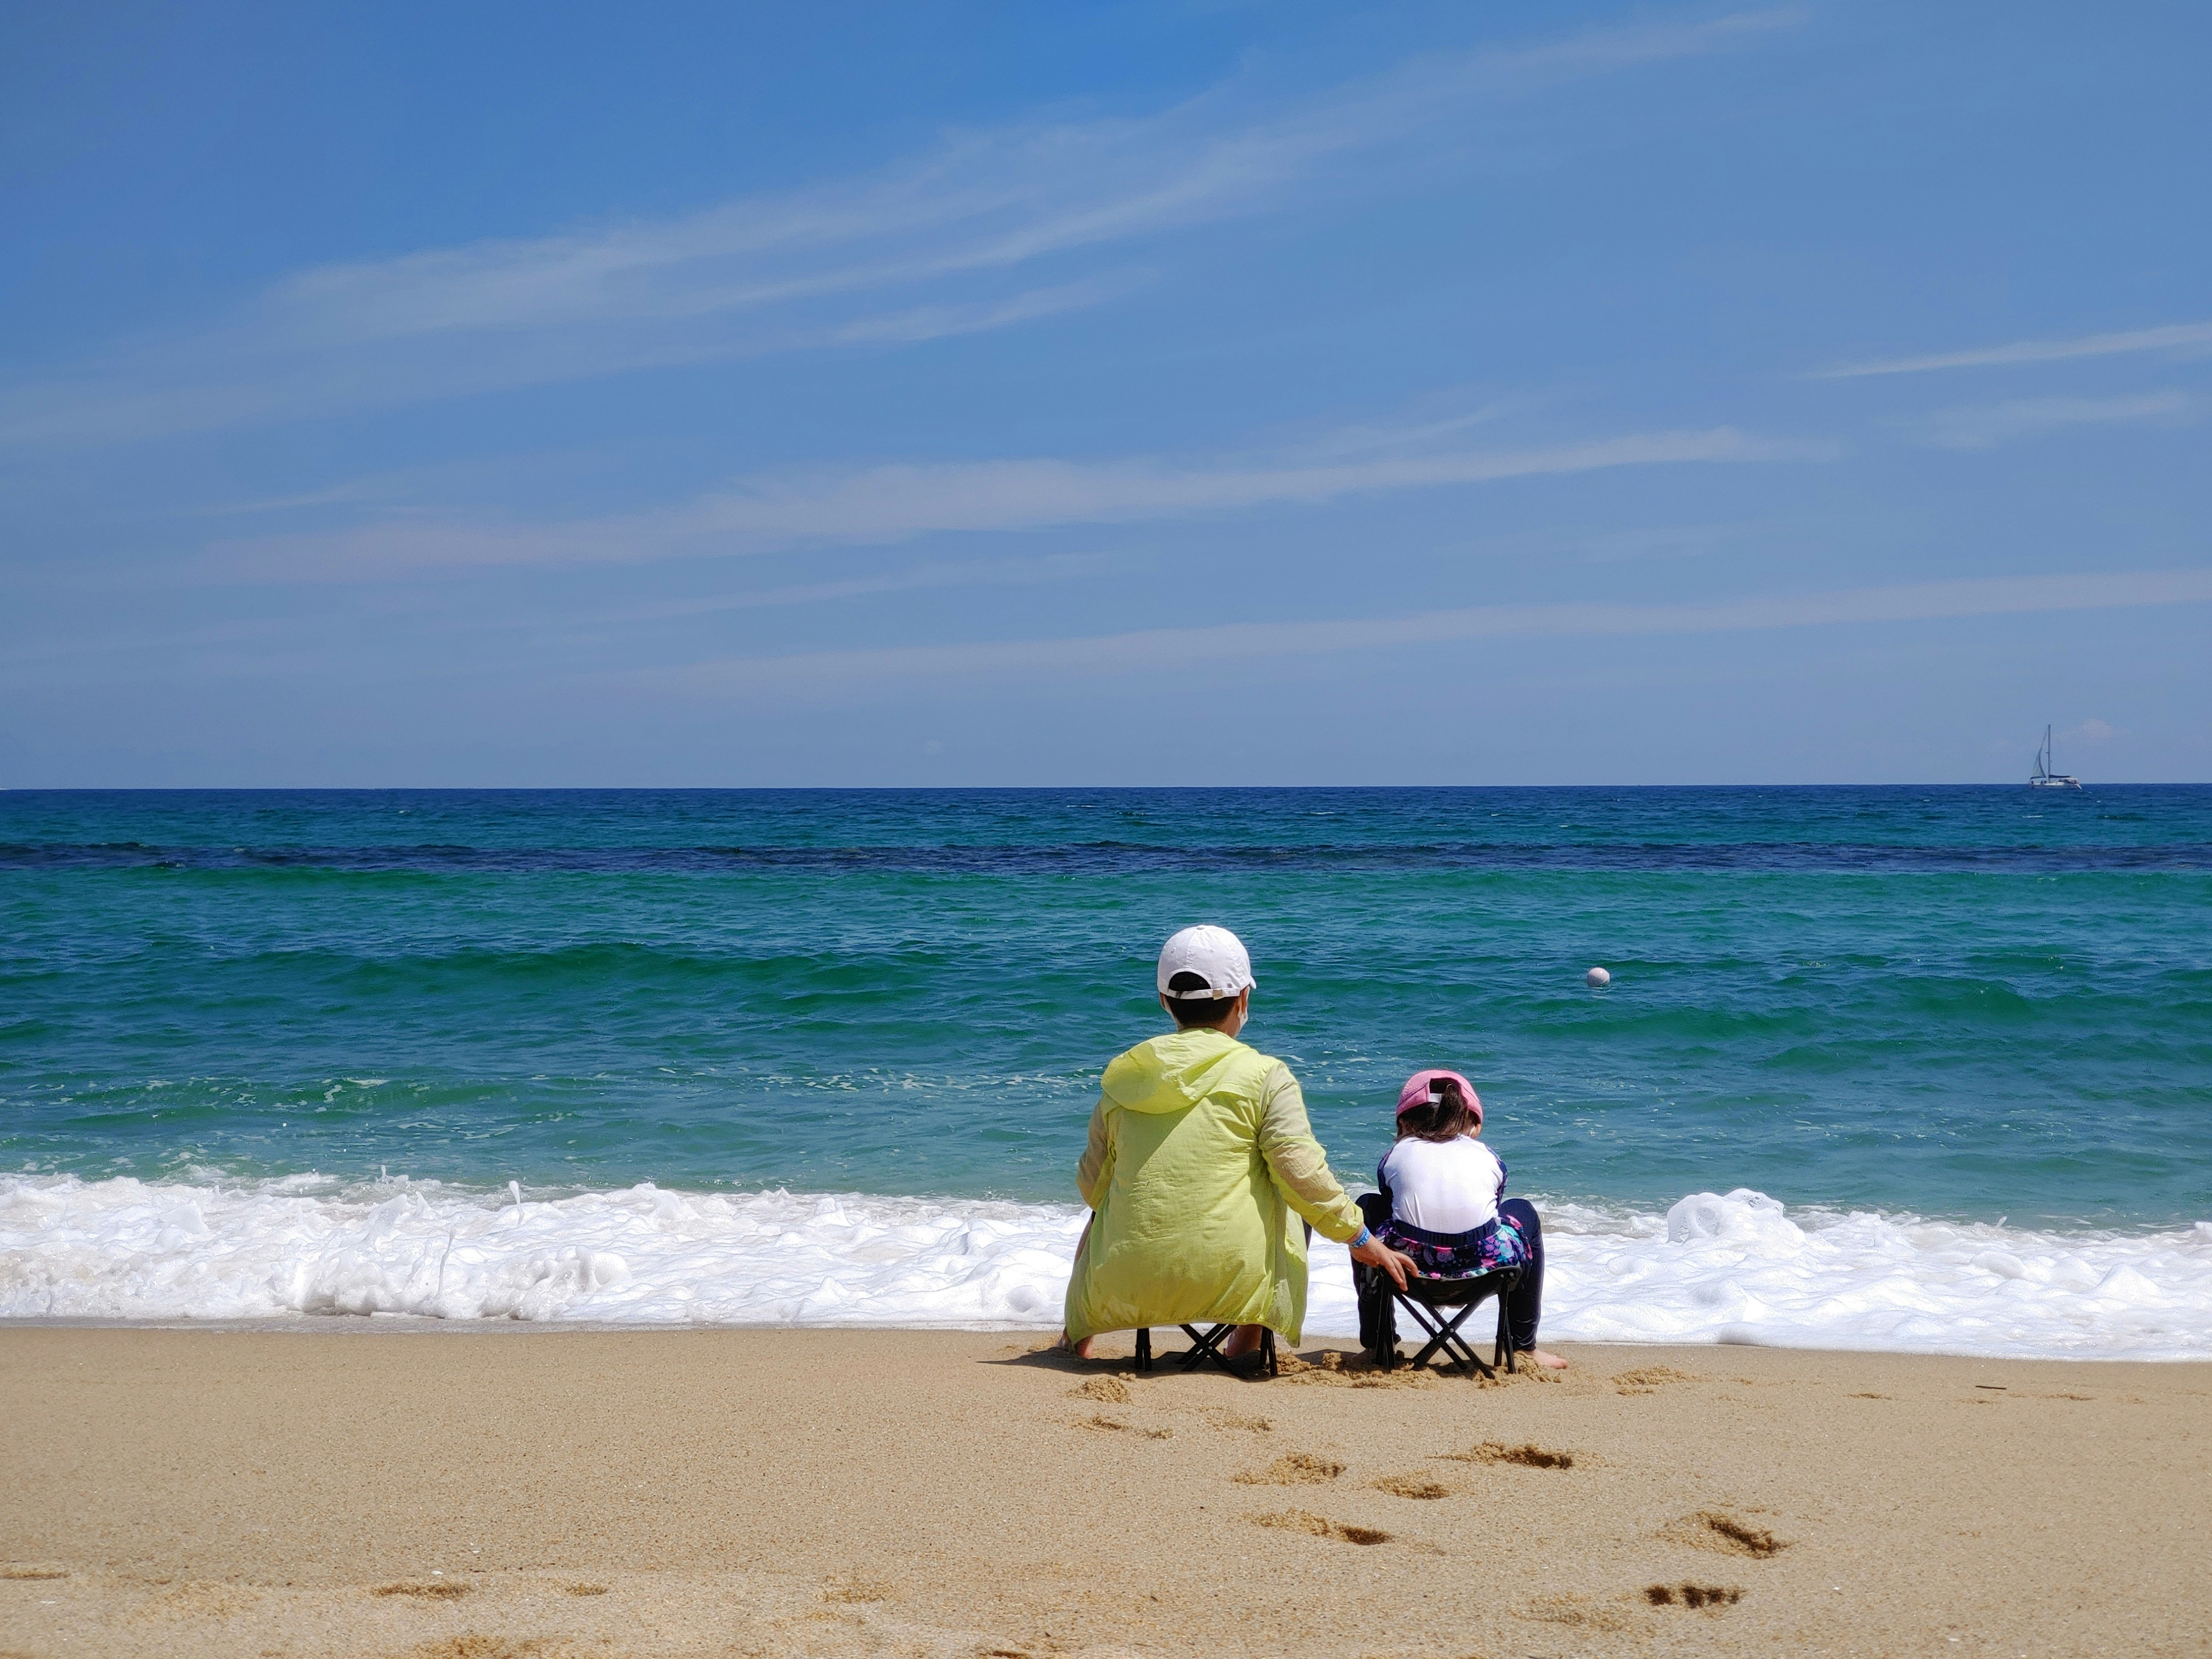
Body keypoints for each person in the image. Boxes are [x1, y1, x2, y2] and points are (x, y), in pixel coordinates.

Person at [1060, 925, 1417, 1368]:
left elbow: (1092, 1185)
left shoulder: (1124, 1078)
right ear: (1243, 1000)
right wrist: (1359, 1237)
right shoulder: (1266, 1075)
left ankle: (1078, 1337)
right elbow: (1302, 1173)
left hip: (1124, 1284)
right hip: (1236, 1281)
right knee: (1289, 1195)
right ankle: (1245, 1342)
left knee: (1105, 1207)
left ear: (1164, 1001)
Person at [1365, 1069, 1567, 1370]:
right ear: (1474, 1125)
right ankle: (1523, 1347)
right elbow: (1490, 1209)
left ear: (1403, 1124)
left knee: (1367, 1208)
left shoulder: (1396, 1155)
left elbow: (1392, 1203)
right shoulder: (1487, 1156)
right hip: (1485, 1274)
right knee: (1521, 1210)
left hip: (1408, 1274)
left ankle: (1376, 1344)